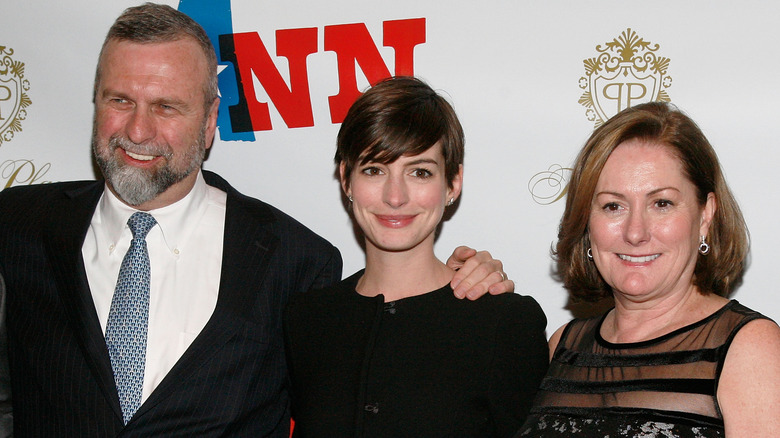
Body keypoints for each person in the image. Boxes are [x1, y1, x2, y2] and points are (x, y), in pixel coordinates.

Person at [0, 4, 512, 437]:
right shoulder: (17, 224)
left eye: (167, 106)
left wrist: (468, 281)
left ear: (208, 121)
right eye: (120, 100)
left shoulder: (296, 262)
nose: (138, 128)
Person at [285, 76, 550, 437]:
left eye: (420, 172)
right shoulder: (306, 320)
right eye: (374, 169)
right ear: (346, 179)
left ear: (453, 183)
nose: (395, 196)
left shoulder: (504, 324)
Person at [517, 102, 780, 437]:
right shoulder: (563, 347)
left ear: (705, 215)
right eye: (613, 205)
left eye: (662, 204)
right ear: (587, 221)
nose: (635, 232)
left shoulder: (748, 348)